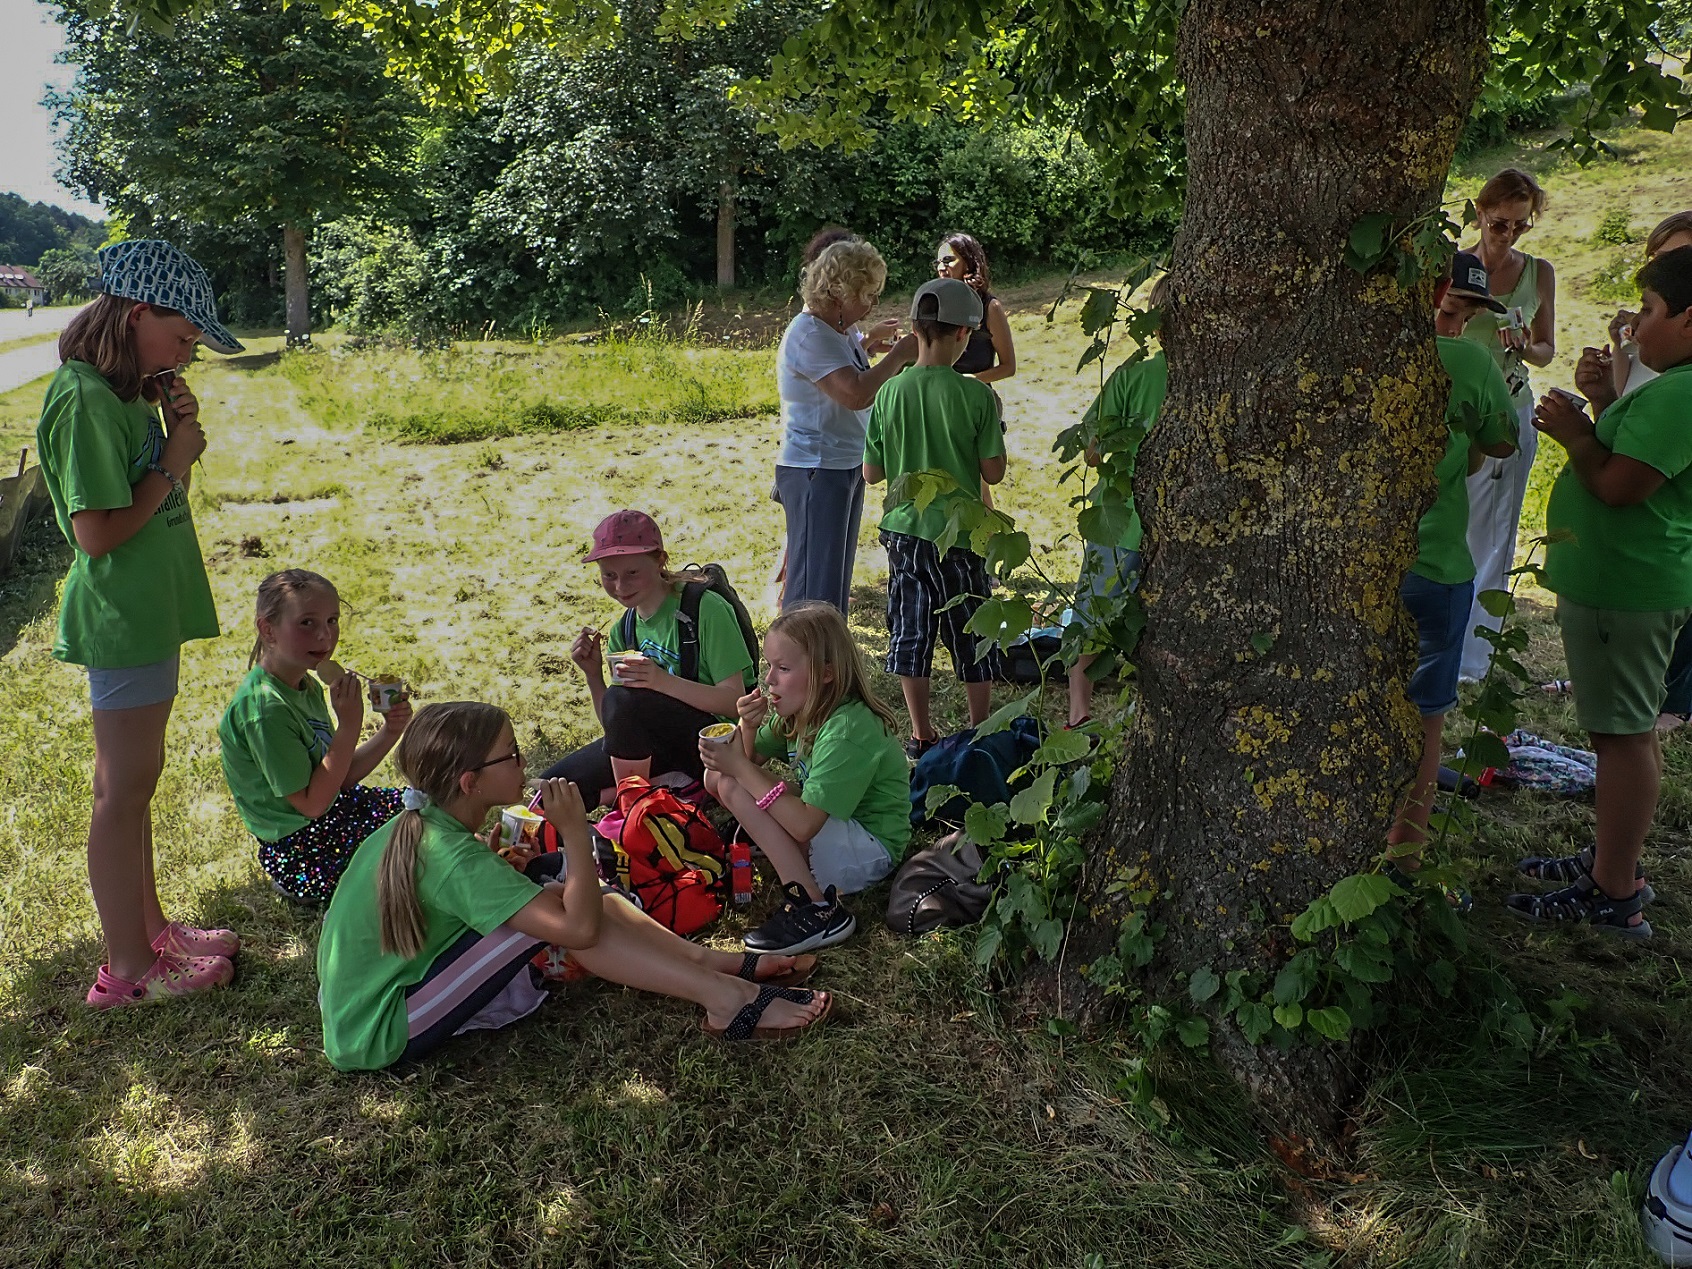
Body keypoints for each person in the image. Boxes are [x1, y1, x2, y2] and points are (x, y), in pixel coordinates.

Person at [316, 701, 833, 1069]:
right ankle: (724, 997)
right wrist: (576, 834)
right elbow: (579, 930)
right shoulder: (449, 856)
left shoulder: (426, 823)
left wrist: (518, 864)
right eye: (511, 755)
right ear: (470, 783)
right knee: (555, 910)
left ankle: (710, 967)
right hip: (379, 1028)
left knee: (553, 879)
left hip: (383, 997)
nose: (524, 762)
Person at [35, 239, 246, 1008]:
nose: (188, 352)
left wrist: (170, 429)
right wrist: (174, 457)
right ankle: (125, 969)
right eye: (185, 336)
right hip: (121, 617)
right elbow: (96, 531)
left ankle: (152, 928)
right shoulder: (85, 396)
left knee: (137, 784)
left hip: (149, 610)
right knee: (121, 793)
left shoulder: (122, 393)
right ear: (137, 313)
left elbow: (148, 492)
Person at [1505, 246, 1692, 938]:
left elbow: (1619, 486)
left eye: (1648, 311)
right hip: (1620, 588)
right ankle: (1611, 858)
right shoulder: (1668, 389)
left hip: (1629, 590)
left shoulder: (1682, 393)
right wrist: (1606, 404)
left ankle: (1615, 888)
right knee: (1618, 734)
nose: (1635, 327)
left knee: (1623, 739)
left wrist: (1577, 436)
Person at [1384, 253, 1517, 880]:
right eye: (1447, 313)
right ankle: (1404, 865)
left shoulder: (1354, 362)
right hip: (1435, 567)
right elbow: (1500, 442)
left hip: (1361, 570)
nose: (1455, 330)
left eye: (1463, 319)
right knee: (1427, 723)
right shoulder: (1469, 363)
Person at [699, 602, 910, 955]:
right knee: (724, 779)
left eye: (782, 668)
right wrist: (746, 727)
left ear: (826, 673)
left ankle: (816, 908)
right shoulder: (801, 710)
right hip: (834, 828)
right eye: (768, 666)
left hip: (870, 848)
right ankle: (791, 865)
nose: (768, 680)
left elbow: (804, 826)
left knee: (737, 781)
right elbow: (727, 771)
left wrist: (740, 768)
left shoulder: (847, 729)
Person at [863, 277, 1006, 754]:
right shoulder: (977, 395)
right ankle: (979, 726)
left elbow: (871, 473)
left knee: (910, 627)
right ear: (965, 335)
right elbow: (995, 472)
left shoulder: (888, 393)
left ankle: (921, 731)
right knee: (971, 626)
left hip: (903, 531)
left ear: (914, 329)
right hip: (961, 532)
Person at [219, 570, 411, 904]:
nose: (325, 636)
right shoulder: (266, 711)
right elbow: (312, 804)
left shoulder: (303, 685)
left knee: (423, 806)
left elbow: (339, 777)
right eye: (307, 623)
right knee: (410, 849)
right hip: (303, 850)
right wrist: (349, 725)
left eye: (332, 620)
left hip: (334, 814)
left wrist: (390, 730)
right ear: (268, 630)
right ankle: (300, 888)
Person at [545, 510, 755, 805]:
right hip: (657, 747)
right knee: (551, 788)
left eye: (632, 573)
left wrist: (660, 681)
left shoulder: (705, 609)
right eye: (609, 575)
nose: (620, 586)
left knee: (622, 698)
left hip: (714, 747)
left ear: (660, 561)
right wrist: (593, 676)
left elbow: (735, 703)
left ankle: (641, 811)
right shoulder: (624, 629)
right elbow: (618, 730)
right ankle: (674, 786)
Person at [774, 238, 918, 614]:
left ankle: (826, 661)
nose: (872, 303)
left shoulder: (838, 331)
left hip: (842, 462)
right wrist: (901, 357)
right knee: (812, 586)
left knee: (833, 580)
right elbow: (854, 393)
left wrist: (870, 346)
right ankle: (800, 662)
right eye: (867, 294)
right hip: (814, 468)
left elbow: (851, 370)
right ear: (839, 292)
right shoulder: (810, 335)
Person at [1457, 168, 1558, 681]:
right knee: (1449, 523)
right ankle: (1441, 638)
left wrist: (1525, 346)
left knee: (1496, 530)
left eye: (1522, 225)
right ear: (1479, 213)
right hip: (1455, 412)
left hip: (1509, 407)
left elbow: (1546, 349)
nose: (1510, 234)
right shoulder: (1454, 267)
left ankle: (1474, 659)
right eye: (1501, 224)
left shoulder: (1538, 272)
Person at [1066, 275, 1169, 728]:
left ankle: (1079, 710)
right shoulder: (1214, 379)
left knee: (1090, 618)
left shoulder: (1130, 374)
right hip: (1178, 528)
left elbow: (1089, 447)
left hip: (1120, 521)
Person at [1606, 211, 1692, 730]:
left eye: (1677, 257)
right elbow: (1626, 401)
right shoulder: (1656, 335)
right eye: (1659, 258)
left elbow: (1617, 485)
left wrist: (1574, 439)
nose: (1665, 266)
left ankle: (1676, 698)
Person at [936, 233, 1016, 386]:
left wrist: (967, 381)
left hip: (977, 399)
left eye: (948, 260)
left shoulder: (990, 308)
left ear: (968, 262)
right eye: (938, 263)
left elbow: (1008, 367)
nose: (941, 268)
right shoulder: (937, 304)